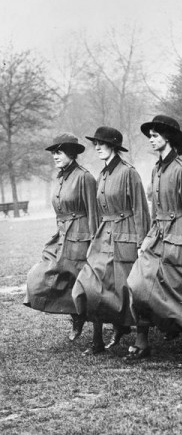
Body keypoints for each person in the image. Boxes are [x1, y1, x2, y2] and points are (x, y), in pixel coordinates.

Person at [126, 115, 182, 368]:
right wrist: (147, 239)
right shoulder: (156, 169)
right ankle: (143, 341)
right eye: (150, 136)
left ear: (168, 138)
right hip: (157, 240)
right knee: (137, 284)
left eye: (155, 135)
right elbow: (156, 212)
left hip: (179, 240)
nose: (151, 140)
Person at [72, 127, 151, 354]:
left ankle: (142, 341)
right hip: (104, 236)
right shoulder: (103, 174)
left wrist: (141, 243)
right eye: (95, 143)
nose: (97, 147)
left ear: (114, 146)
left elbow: (140, 210)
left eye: (102, 143)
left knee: (131, 289)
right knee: (91, 285)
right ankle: (98, 339)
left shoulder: (129, 173)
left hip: (126, 236)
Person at [25, 134, 98, 340]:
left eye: (59, 152)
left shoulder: (84, 177)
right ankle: (76, 316)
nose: (55, 157)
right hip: (62, 235)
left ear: (71, 154)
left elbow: (93, 212)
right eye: (53, 153)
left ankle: (87, 320)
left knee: (80, 281)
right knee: (41, 275)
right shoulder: (60, 177)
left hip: (81, 237)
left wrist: (94, 243)